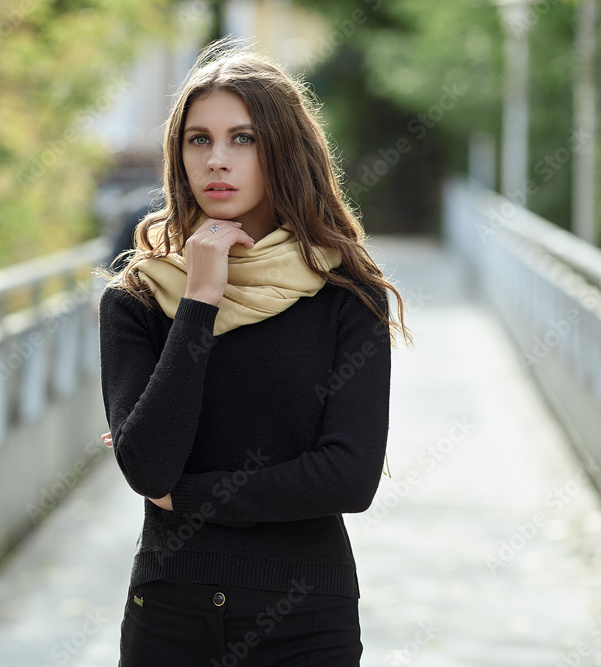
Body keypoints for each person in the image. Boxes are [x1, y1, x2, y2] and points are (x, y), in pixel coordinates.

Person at [93, 37, 410, 666]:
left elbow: (349, 476)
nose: (217, 160)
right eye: (198, 139)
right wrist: (201, 299)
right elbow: (148, 469)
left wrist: (190, 498)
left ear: (282, 151)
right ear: (177, 156)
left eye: (243, 139)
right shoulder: (138, 300)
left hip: (307, 619)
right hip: (170, 615)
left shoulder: (346, 295)